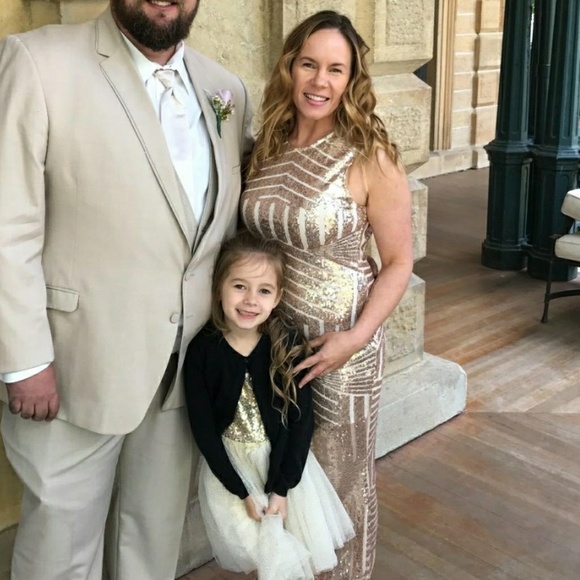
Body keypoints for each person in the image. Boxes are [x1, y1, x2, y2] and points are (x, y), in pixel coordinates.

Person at [0, 0, 253, 578]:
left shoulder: (225, 89)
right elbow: (7, 224)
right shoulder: (38, 62)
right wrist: (23, 361)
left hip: (182, 371)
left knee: (152, 541)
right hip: (72, 367)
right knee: (60, 551)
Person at [241, 10, 414, 580]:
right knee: (280, 478)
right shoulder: (266, 144)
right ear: (289, 68)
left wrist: (355, 338)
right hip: (270, 341)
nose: (320, 81)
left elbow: (398, 262)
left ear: (352, 79)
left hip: (341, 348)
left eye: (336, 69)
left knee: (340, 483)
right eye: (309, 64)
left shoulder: (370, 154)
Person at [183, 232, 355, 580]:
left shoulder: (287, 345)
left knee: (290, 553)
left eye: (264, 291)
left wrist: (282, 488)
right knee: (257, 551)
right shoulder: (203, 350)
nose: (250, 300)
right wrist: (239, 490)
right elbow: (203, 429)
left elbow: (302, 422)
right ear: (219, 287)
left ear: (277, 297)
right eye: (239, 286)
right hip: (231, 471)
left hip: (283, 470)